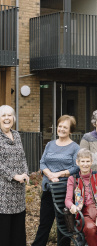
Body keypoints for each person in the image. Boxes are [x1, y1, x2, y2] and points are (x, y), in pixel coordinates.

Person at [32, 115, 80, 246]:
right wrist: (50, 175)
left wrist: (59, 174)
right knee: (44, 224)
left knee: (64, 226)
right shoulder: (50, 144)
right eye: (60, 126)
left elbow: (76, 167)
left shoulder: (75, 147)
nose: (62, 129)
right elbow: (42, 163)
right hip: (48, 189)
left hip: (65, 191)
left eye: (65, 127)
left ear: (70, 130)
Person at [0, 105, 29, 246]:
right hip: (3, 192)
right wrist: (13, 176)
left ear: (13, 118)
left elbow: (22, 157)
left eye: (9, 115)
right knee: (4, 231)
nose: (7, 118)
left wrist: (25, 173)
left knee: (18, 231)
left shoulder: (16, 135)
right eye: (3, 115)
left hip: (18, 191)